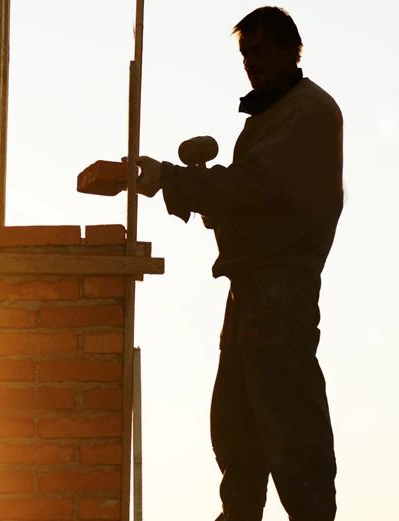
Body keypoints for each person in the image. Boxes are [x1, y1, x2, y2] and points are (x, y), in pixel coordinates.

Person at [132, 6, 344, 521]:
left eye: (262, 51)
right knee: (237, 436)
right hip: (251, 294)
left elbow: (253, 187)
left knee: (293, 440)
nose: (252, 63)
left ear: (293, 50)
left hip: (281, 294)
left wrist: (166, 178)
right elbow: (245, 198)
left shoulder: (308, 112)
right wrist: (201, 190)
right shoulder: (271, 116)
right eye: (246, 54)